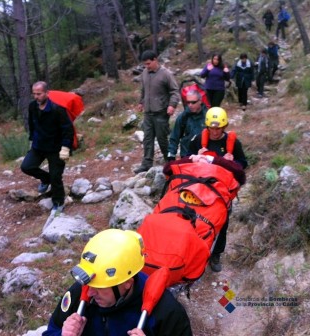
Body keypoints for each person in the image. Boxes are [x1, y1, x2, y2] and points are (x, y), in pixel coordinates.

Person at [43, 229, 193, 336]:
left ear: (127, 282)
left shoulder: (166, 312)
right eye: (89, 285)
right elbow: (51, 330)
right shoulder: (80, 294)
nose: (90, 293)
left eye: (100, 287)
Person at [188, 107, 248, 272]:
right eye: (211, 128)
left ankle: (216, 254)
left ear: (224, 126)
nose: (214, 132)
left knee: (222, 222)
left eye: (218, 128)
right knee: (196, 220)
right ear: (207, 126)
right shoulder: (198, 140)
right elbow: (186, 158)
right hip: (201, 188)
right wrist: (196, 156)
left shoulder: (233, 143)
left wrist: (233, 162)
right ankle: (196, 252)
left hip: (222, 192)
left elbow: (243, 163)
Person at [20, 81, 73, 216]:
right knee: (27, 166)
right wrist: (32, 140)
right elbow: (32, 125)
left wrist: (66, 147)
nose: (36, 97)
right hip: (39, 145)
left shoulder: (57, 109)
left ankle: (58, 203)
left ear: (46, 93)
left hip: (56, 148)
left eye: (39, 94)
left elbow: (68, 129)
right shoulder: (32, 107)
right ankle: (45, 179)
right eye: (34, 94)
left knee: (56, 176)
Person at [135, 50, 180, 174]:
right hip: (148, 112)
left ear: (155, 60)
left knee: (162, 138)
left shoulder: (166, 74)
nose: (146, 66)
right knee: (147, 139)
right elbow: (143, 90)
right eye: (145, 64)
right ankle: (146, 163)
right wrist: (141, 102)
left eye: (149, 63)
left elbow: (175, 91)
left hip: (161, 112)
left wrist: (172, 105)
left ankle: (169, 161)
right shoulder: (144, 73)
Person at [168, 90, 208, 161]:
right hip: (187, 155)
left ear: (200, 101)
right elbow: (174, 137)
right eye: (188, 102)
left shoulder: (207, 116)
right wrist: (171, 155)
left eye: (193, 102)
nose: (190, 105)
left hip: (204, 156)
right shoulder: (183, 117)